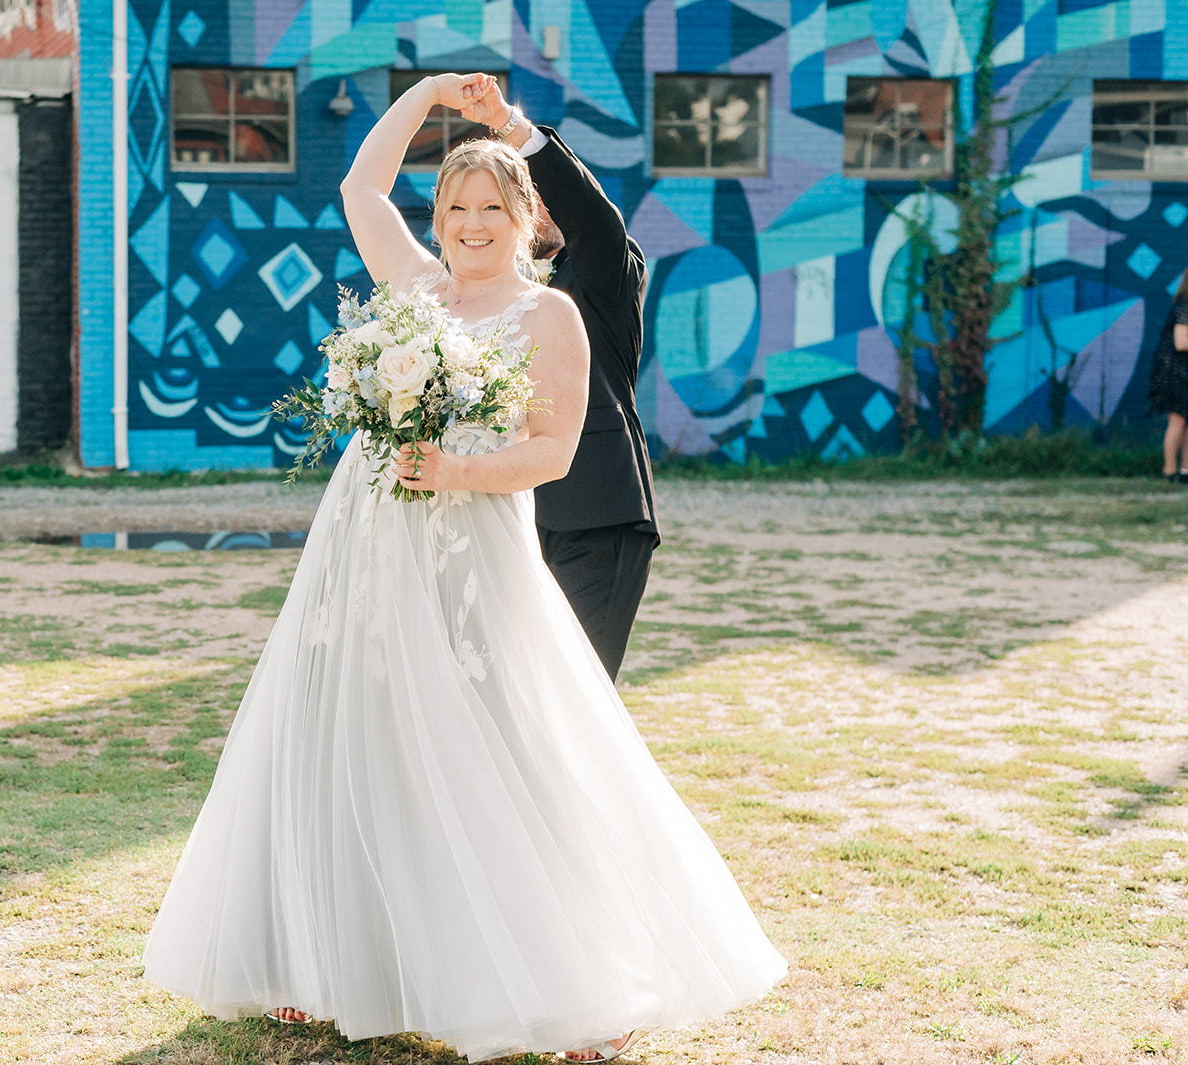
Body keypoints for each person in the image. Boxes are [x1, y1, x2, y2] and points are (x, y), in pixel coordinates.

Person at [141, 72, 785, 1064]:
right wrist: (434, 94)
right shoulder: (413, 292)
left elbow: (554, 454)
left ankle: (582, 983)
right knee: (346, 744)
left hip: (476, 550)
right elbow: (360, 189)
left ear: (527, 219)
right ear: (436, 219)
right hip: (364, 555)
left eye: (492, 207)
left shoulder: (550, 317)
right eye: (455, 208)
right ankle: (324, 964)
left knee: (513, 754)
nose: (472, 224)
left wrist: (453, 469)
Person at [459, 82, 659, 681]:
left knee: (572, 696)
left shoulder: (604, 273)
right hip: (504, 513)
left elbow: (590, 213)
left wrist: (509, 127)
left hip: (595, 516)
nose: (530, 201)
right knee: (500, 690)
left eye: (534, 190)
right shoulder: (491, 287)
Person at [1148, 269, 1188, 484]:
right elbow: (1181, 343)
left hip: (1184, 372)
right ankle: (1169, 471)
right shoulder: (1185, 307)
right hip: (1175, 372)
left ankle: (1185, 472)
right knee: (1177, 420)